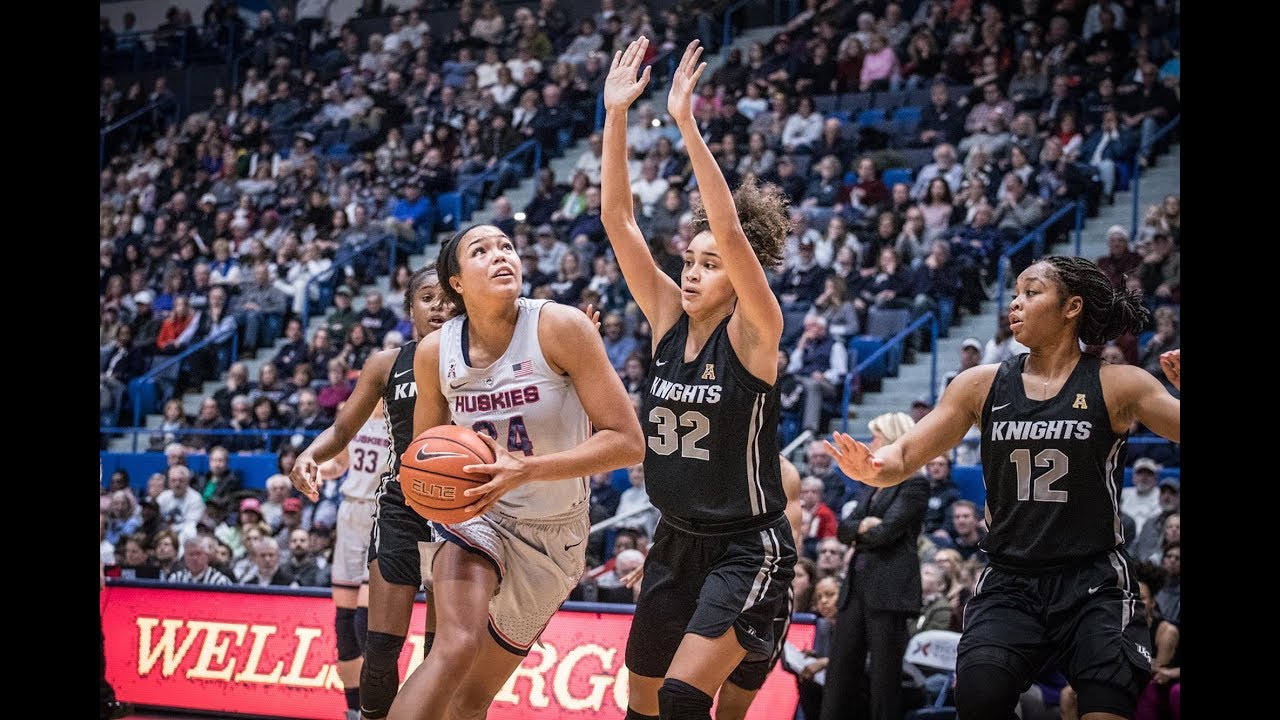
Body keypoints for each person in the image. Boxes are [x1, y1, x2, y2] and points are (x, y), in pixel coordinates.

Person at [825, 255, 1181, 720]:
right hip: (1011, 577)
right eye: (1015, 293)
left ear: (1072, 306)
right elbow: (906, 454)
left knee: (1105, 706)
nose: (1015, 303)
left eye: (1031, 293)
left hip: (1093, 578)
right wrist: (872, 466)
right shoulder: (980, 384)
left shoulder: (1118, 384)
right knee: (978, 698)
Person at [602, 38, 797, 720]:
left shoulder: (754, 331)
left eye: (709, 263)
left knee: (687, 699)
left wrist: (686, 125)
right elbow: (618, 221)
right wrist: (617, 115)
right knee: (643, 705)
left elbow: (731, 234)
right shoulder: (664, 319)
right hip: (673, 540)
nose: (690, 270)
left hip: (747, 544)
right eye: (688, 258)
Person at [384, 221, 644, 720]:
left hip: (555, 530)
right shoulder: (436, 352)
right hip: (476, 513)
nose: (501, 255)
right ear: (456, 282)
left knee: (470, 701)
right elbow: (420, 451)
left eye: (507, 246)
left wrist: (525, 470)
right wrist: (426, 491)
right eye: (480, 251)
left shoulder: (560, 327)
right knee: (454, 646)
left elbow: (628, 444)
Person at [290, 267, 457, 720]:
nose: (439, 306)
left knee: (442, 650)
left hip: (463, 511)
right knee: (381, 650)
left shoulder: (482, 357)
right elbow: (343, 428)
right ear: (409, 309)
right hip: (402, 505)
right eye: (427, 298)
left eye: (447, 297)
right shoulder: (386, 364)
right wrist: (310, 454)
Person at [822, 411, 929, 720]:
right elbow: (843, 528)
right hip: (855, 587)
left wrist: (863, 530)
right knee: (839, 674)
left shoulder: (915, 484)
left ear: (894, 439)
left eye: (877, 437)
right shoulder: (872, 482)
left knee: (885, 681)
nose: (871, 443)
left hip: (890, 591)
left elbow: (885, 533)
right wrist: (861, 528)